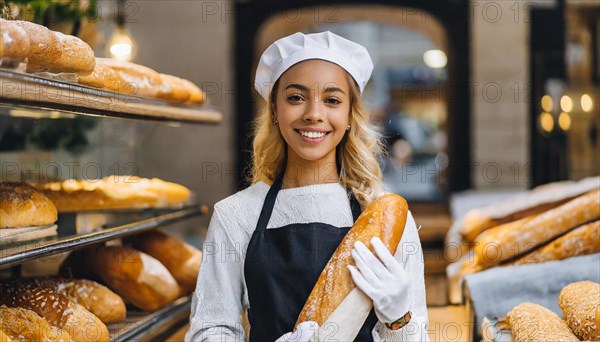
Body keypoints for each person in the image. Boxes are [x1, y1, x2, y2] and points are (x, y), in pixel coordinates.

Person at [185, 31, 429, 341]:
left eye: (332, 100)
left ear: (350, 114)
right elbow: (211, 329)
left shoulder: (387, 219)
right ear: (274, 108)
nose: (314, 114)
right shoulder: (235, 215)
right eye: (296, 97)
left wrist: (399, 319)